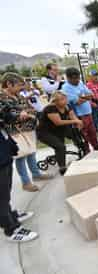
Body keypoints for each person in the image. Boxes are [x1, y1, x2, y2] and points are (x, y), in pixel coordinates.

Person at [0, 77, 39, 242]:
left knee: (5, 189)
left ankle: (10, 215)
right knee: (1, 193)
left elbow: (6, 113)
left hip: (3, 147)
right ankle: (11, 229)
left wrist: (17, 114)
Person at [1, 73, 52, 192]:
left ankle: (36, 174)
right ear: (9, 84)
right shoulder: (2, 98)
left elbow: (29, 108)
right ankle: (26, 182)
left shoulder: (19, 96)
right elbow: (9, 115)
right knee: (21, 156)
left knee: (31, 152)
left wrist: (30, 113)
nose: (22, 88)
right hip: (14, 131)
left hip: (28, 128)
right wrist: (23, 113)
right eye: (19, 85)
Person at [37, 91, 83, 175]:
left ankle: (83, 151)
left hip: (58, 130)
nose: (64, 101)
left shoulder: (67, 106)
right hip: (44, 132)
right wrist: (75, 121)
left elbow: (73, 116)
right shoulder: (50, 108)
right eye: (61, 99)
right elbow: (58, 122)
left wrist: (77, 123)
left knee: (75, 135)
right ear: (55, 101)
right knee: (60, 147)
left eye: (65, 98)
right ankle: (62, 168)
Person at [63, 67, 98, 152]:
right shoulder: (66, 88)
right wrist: (85, 97)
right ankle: (86, 153)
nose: (77, 80)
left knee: (93, 134)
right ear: (68, 78)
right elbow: (77, 102)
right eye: (74, 79)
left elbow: (91, 94)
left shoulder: (80, 83)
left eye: (78, 78)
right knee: (84, 137)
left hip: (88, 112)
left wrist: (83, 97)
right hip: (79, 116)